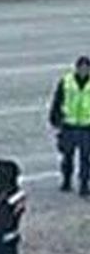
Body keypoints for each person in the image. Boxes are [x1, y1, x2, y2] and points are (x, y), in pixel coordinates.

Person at [49, 56, 90, 197]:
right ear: (76, 68)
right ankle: (66, 180)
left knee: (86, 158)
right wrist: (55, 118)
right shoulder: (66, 82)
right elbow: (58, 100)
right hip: (69, 125)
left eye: (86, 68)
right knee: (67, 156)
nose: (83, 71)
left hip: (87, 126)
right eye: (81, 68)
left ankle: (84, 184)